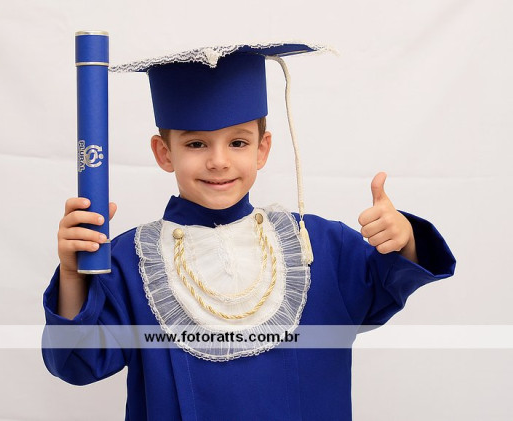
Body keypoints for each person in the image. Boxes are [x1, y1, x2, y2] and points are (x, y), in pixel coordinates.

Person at [42, 43, 456, 420]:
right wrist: (73, 274)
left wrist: (404, 239)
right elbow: (77, 363)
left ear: (263, 148)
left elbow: (387, 285)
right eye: (196, 144)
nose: (219, 161)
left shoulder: (316, 246)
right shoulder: (131, 262)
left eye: (238, 142)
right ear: (164, 153)